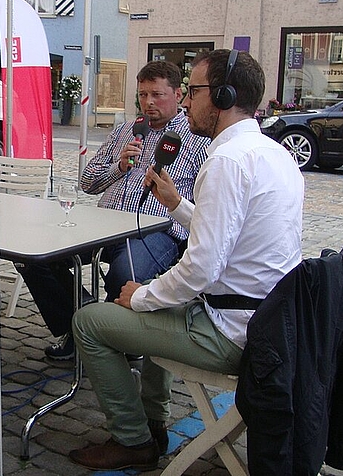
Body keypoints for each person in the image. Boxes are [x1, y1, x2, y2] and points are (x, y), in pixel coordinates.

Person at [68, 49, 304, 471]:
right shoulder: (272, 153)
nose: (187, 101)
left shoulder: (227, 161)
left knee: (89, 323)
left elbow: (201, 268)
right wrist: (178, 206)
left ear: (223, 95)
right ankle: (155, 422)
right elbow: (230, 235)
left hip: (230, 333)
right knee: (162, 302)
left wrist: (140, 297)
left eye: (192, 90)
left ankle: (133, 439)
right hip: (267, 324)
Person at [16, 61, 210, 360]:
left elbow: (206, 206)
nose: (148, 103)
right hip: (103, 224)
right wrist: (119, 167)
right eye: (143, 95)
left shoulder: (196, 139)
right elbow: (87, 183)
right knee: (31, 255)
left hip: (154, 230)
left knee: (124, 273)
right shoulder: (125, 132)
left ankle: (112, 337)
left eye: (157, 95)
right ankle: (82, 325)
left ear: (178, 94)